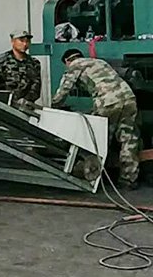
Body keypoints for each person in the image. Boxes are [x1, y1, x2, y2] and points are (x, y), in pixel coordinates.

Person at [51, 49, 140, 190]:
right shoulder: (99, 62)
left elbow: (64, 90)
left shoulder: (74, 65)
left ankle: (94, 178)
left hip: (108, 102)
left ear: (67, 61)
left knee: (98, 140)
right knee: (128, 139)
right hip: (129, 98)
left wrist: (52, 108)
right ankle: (128, 180)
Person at [0, 29, 41, 108]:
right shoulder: (2, 60)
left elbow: (36, 86)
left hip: (25, 106)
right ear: (13, 41)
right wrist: (5, 97)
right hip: (4, 105)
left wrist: (27, 99)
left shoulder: (34, 63)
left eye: (27, 41)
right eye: (21, 40)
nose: (25, 44)